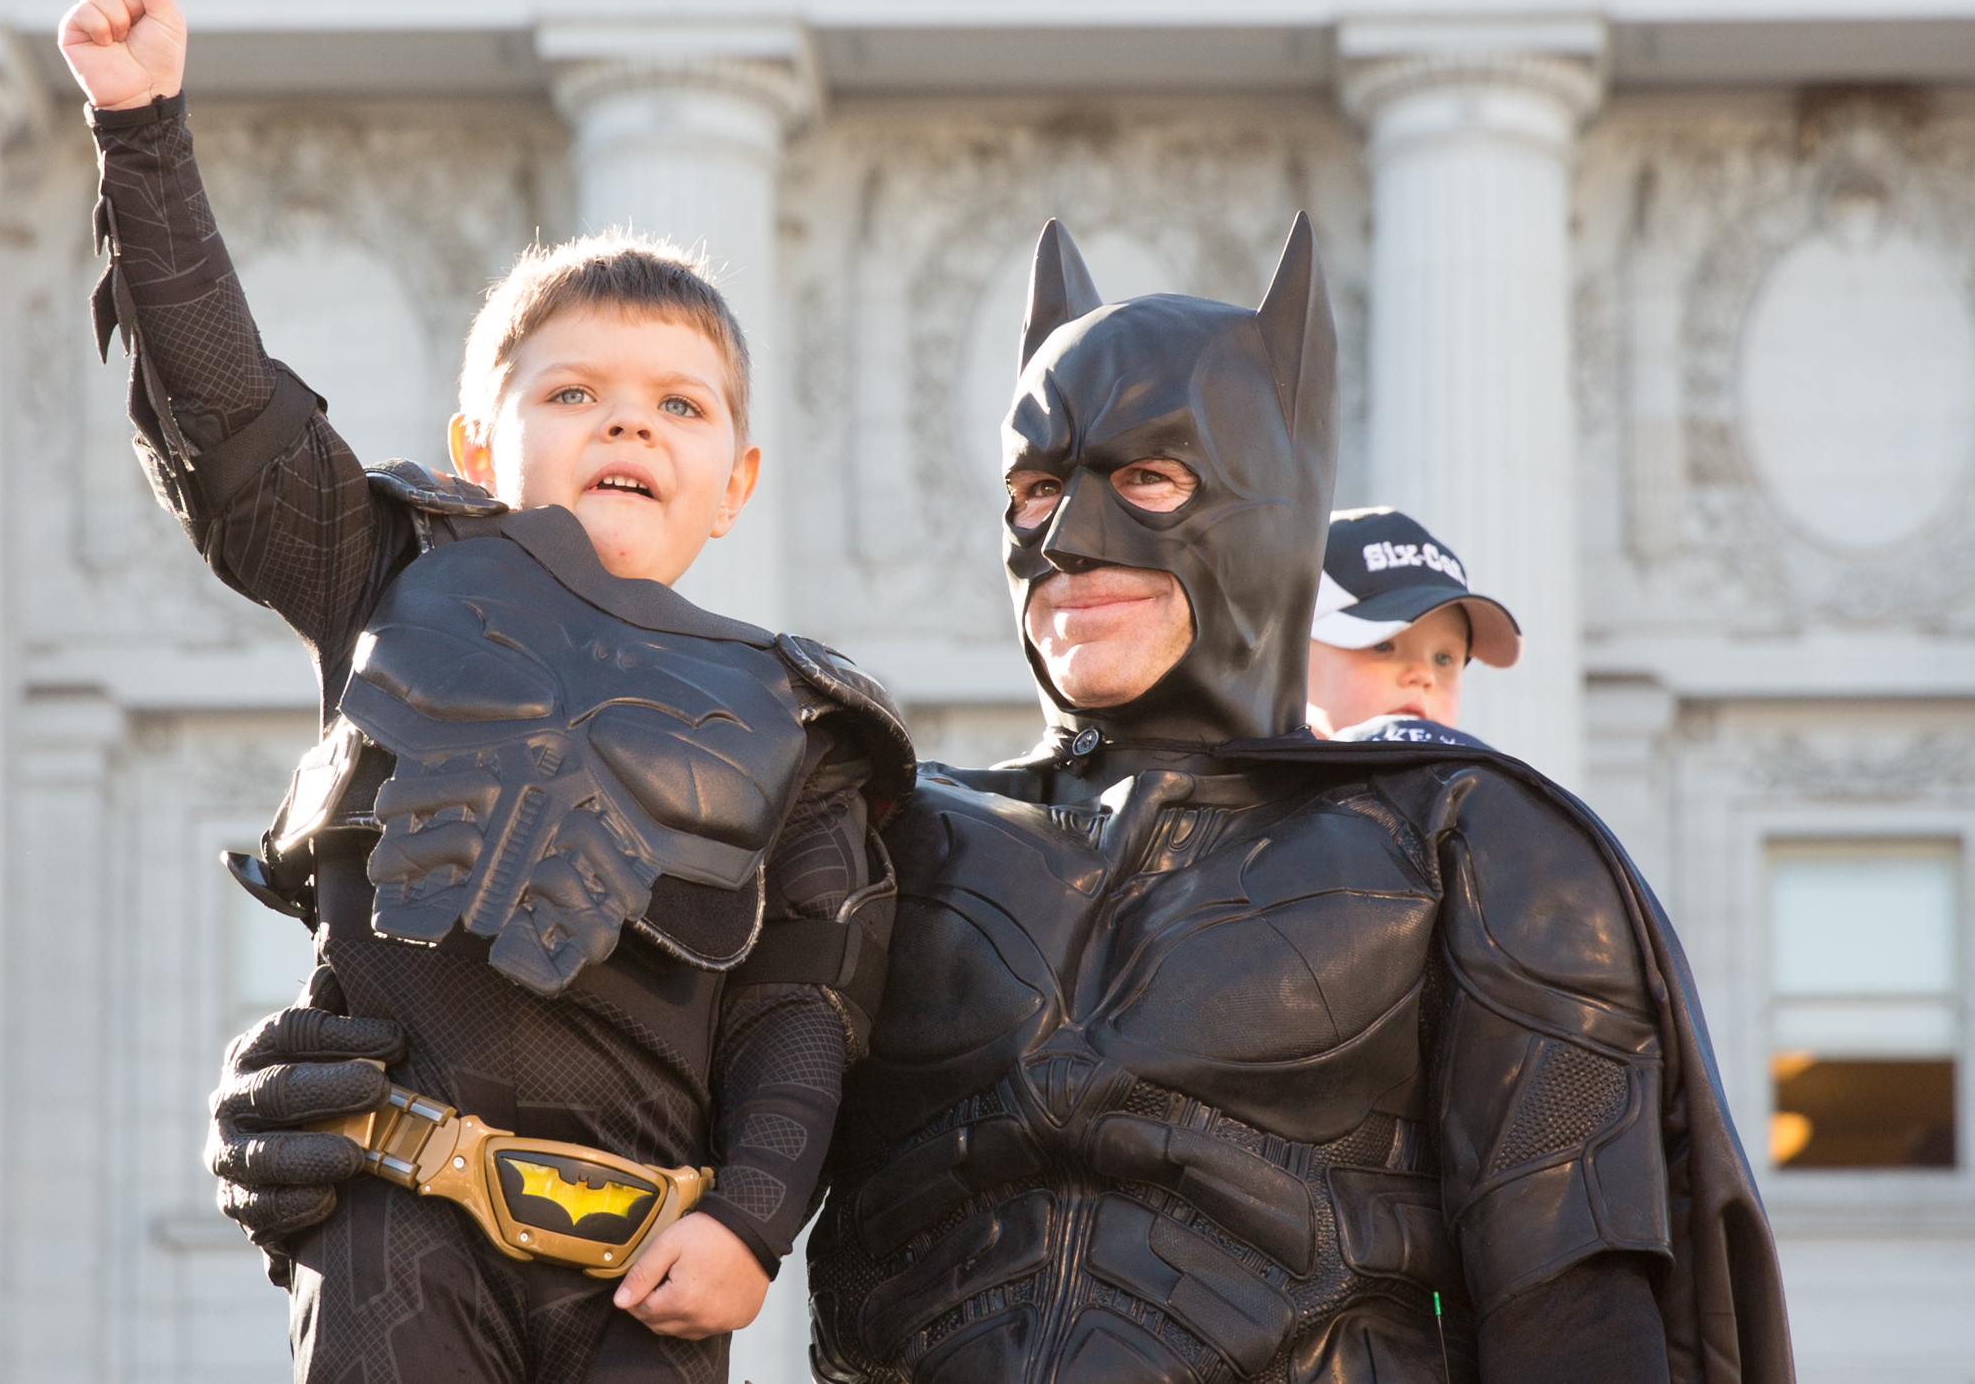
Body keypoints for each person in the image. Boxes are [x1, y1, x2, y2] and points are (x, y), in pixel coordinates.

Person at [209, 220, 1796, 1377]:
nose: (1068, 540)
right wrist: (352, 1105)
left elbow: (1580, 1308)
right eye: (1038, 491)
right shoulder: (895, 833)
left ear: (1269, 503)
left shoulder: (1472, 843)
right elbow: (630, 1055)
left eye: (1149, 482)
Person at [59, 0, 911, 1383]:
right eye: (571, 392)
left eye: (677, 404)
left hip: (642, 1270)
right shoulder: (395, 574)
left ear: (737, 478)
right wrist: (144, 129)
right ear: (477, 449)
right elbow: (231, 417)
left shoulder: (805, 723)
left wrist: (758, 1221)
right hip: (398, 1218)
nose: (625, 424)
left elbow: (802, 1008)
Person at [1306, 507, 1521, 750]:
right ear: (1291, 661)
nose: (1423, 675)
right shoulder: (1256, 783)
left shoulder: (1477, 784)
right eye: (1383, 644)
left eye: (1443, 658)